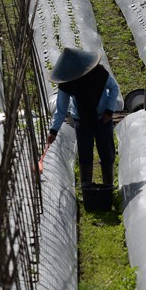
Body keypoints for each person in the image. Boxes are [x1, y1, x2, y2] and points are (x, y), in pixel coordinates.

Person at [47, 47, 120, 186]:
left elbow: (114, 88)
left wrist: (109, 111)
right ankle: (86, 187)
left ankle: (108, 186)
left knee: (106, 151)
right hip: (82, 120)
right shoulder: (67, 82)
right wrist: (53, 131)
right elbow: (61, 109)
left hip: (102, 118)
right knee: (85, 153)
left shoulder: (99, 73)